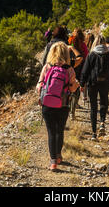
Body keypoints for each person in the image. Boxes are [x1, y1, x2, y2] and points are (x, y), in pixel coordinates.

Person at [36, 42, 79, 171]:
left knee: (51, 131)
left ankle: (53, 161)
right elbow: (72, 89)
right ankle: (59, 156)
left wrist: (42, 95)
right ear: (66, 54)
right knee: (59, 130)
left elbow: (39, 86)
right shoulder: (69, 69)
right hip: (63, 104)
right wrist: (76, 85)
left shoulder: (47, 67)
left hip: (47, 104)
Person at [80, 35, 109, 140]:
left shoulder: (91, 55)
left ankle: (93, 132)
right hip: (105, 83)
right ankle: (102, 122)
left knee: (93, 106)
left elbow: (85, 71)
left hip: (93, 83)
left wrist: (82, 84)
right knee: (104, 102)